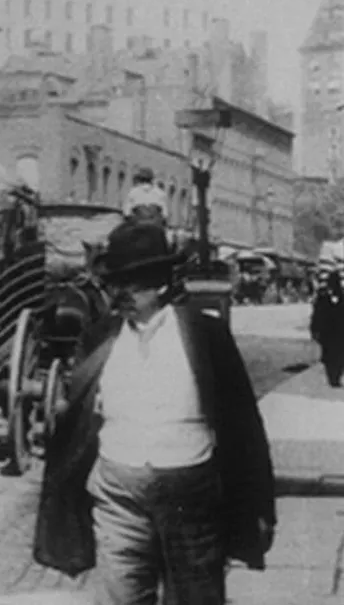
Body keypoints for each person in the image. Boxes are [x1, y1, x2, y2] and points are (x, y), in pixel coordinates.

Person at [34, 220, 276, 605]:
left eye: (135, 282)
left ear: (161, 281)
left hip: (190, 496)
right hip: (118, 499)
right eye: (116, 283)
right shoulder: (102, 336)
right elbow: (78, 416)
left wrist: (258, 503)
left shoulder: (204, 335)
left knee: (195, 598)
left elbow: (243, 423)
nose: (122, 293)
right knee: (118, 596)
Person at [311, 259, 344, 388]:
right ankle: (332, 377)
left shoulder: (342, 299)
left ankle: (336, 377)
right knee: (329, 357)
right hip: (328, 334)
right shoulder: (323, 298)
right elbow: (317, 316)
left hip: (340, 334)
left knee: (340, 356)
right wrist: (315, 330)